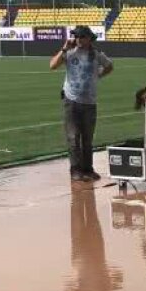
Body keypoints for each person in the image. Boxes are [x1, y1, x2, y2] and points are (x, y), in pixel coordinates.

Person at [50, 25, 113, 182]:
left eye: (81, 36)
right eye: (76, 36)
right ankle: (75, 170)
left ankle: (88, 169)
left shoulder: (96, 55)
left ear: (89, 39)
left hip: (90, 102)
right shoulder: (70, 52)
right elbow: (52, 65)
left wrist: (98, 75)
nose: (78, 39)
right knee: (73, 137)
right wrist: (64, 48)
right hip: (71, 100)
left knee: (88, 138)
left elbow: (109, 66)